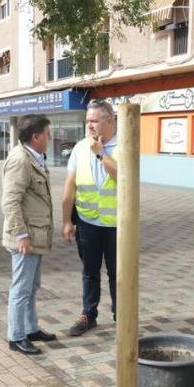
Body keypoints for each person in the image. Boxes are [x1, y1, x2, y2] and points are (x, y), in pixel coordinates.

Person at [61, 99, 120, 336]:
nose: (90, 126)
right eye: (87, 121)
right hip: (87, 222)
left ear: (110, 120)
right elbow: (70, 184)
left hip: (116, 224)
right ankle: (88, 314)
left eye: (95, 120)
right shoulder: (80, 147)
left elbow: (124, 176)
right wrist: (66, 220)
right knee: (89, 271)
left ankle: (121, 315)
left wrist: (101, 153)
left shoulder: (124, 145)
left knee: (118, 273)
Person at [1, 115, 58, 356]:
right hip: (25, 237)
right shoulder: (20, 160)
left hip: (35, 235)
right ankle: (16, 336)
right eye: (47, 133)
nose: (50, 137)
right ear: (35, 137)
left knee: (32, 286)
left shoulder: (34, 157)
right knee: (21, 288)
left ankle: (30, 328)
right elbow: (10, 201)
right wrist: (21, 234)